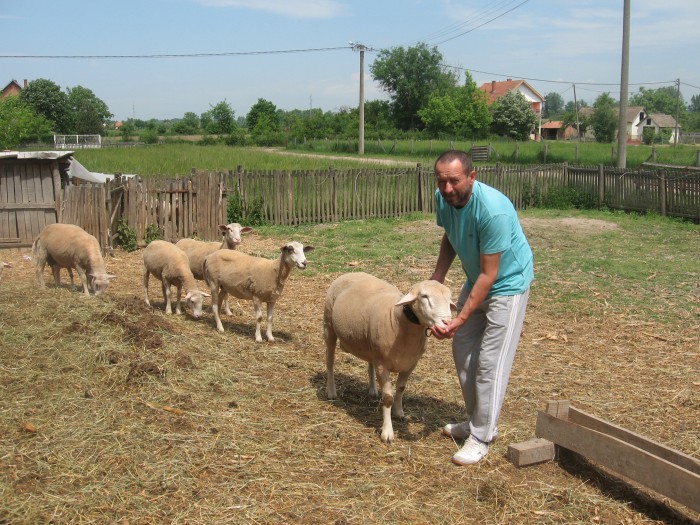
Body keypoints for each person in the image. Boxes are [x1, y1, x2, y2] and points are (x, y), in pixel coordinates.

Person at [429, 150, 534, 466]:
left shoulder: (493, 211)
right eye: (442, 181)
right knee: (463, 351)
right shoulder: (443, 198)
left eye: (454, 182)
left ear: (472, 177)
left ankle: (482, 437)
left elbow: (491, 275)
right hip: (478, 281)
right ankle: (477, 420)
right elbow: (450, 235)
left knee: (490, 362)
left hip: (507, 286)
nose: (447, 189)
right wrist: (438, 276)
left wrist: (460, 317)